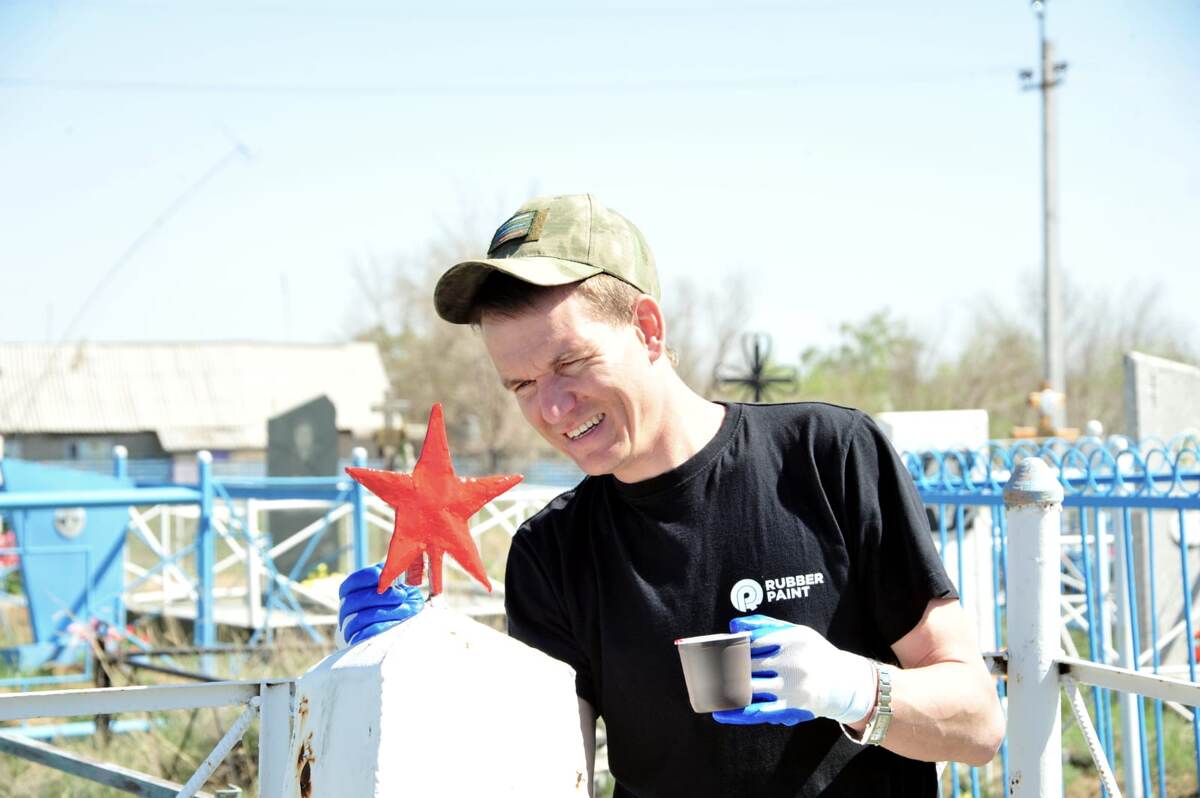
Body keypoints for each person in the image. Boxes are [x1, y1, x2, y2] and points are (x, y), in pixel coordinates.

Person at [339, 194, 1005, 797]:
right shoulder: (551, 551)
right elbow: (551, 773)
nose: (553, 408)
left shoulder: (826, 456)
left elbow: (977, 724)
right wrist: (419, 673)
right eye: (521, 384)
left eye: (570, 363)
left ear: (648, 329)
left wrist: (851, 688)